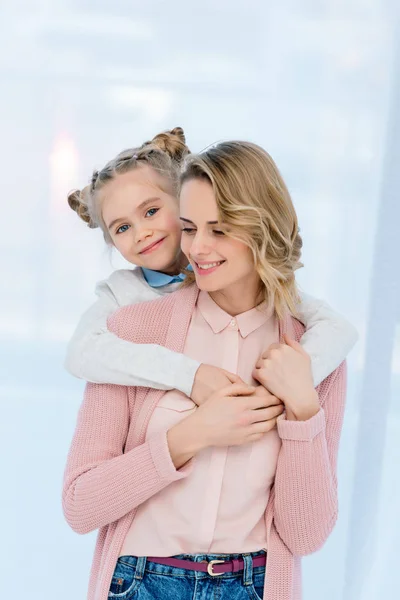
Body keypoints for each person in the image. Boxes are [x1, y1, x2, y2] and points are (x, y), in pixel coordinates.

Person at [63, 133, 353, 600]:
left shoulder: (314, 353)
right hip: (140, 581)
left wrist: (302, 408)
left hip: (255, 585)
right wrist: (192, 434)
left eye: (219, 229)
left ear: (263, 226)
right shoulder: (130, 332)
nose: (197, 248)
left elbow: (307, 536)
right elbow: (80, 506)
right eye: (191, 226)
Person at [65, 127, 357, 405]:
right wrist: (189, 375)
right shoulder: (122, 293)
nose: (141, 233)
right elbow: (80, 352)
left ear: (186, 202)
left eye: (151, 211)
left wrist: (288, 387)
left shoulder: (235, 277)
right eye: (122, 228)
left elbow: (337, 328)